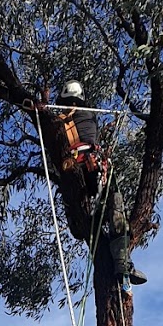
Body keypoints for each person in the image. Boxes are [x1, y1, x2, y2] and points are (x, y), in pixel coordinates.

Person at [58, 80, 147, 294]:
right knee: (113, 205)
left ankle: (120, 262)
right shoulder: (68, 119)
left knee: (112, 206)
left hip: (88, 167)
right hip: (86, 167)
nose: (71, 104)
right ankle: (120, 261)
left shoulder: (75, 116)